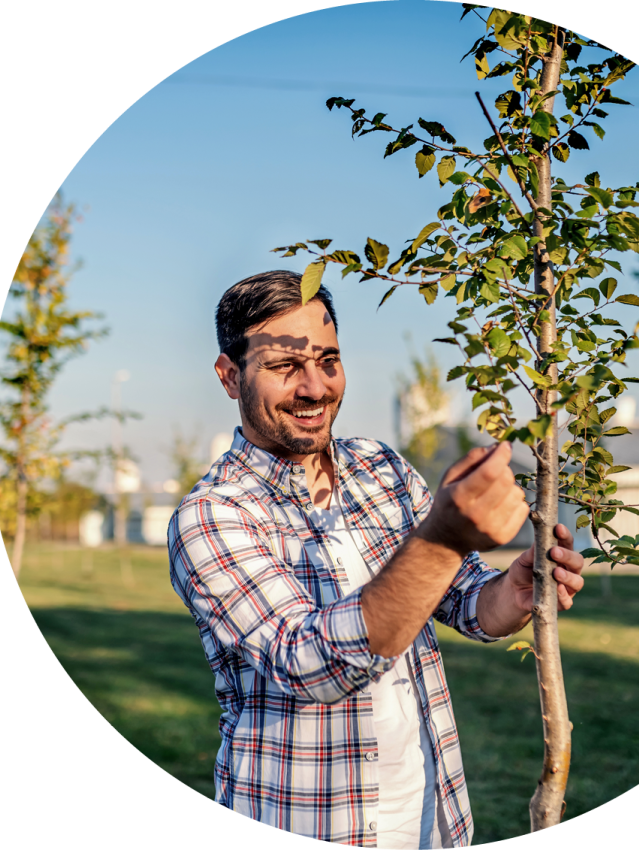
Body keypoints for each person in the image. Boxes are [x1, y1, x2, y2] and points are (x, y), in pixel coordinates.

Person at [168, 270, 587, 847]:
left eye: (328, 360)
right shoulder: (211, 516)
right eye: (285, 367)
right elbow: (309, 662)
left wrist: (509, 596)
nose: (315, 387)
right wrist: (442, 536)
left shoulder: (381, 467)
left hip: (433, 820)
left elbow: (462, 597)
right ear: (229, 375)